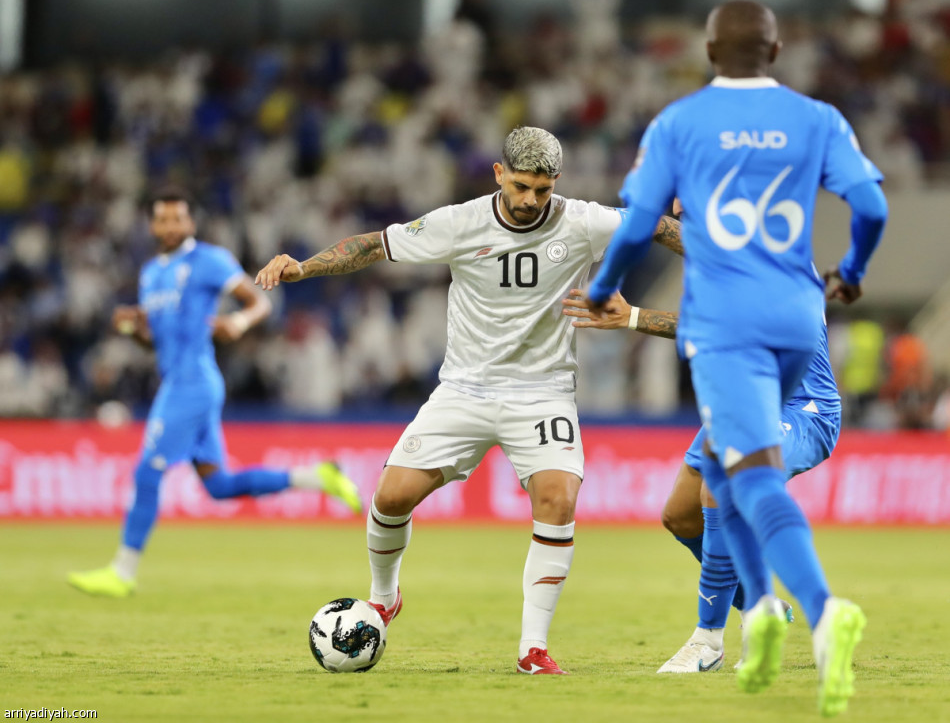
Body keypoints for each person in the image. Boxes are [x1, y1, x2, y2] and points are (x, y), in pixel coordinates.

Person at [256, 126, 682, 675]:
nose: (531, 200)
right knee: (390, 498)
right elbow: (373, 244)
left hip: (543, 391)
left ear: (556, 183)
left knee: (558, 500)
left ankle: (533, 648)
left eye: (543, 190)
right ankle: (384, 596)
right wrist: (305, 266)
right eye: (522, 186)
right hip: (464, 389)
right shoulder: (459, 223)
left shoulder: (582, 221)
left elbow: (656, 225)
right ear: (499, 174)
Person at [584, 1, 887, 715]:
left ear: (710, 47)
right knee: (681, 511)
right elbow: (869, 205)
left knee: (729, 481)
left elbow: (639, 226)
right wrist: (854, 266)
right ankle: (767, 610)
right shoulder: (814, 124)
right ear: (777, 48)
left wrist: (610, 296)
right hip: (765, 353)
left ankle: (717, 634)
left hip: (801, 406)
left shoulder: (681, 124)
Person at [68, 188, 362, 598]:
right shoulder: (150, 272)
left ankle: (123, 570)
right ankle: (318, 477)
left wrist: (239, 323)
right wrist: (135, 330)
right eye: (163, 219)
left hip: (193, 383)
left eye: (178, 219)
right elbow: (156, 342)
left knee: (146, 471)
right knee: (219, 486)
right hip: (178, 380)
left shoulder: (209, 260)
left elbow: (259, 302)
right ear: (153, 225)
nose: (171, 226)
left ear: (190, 223)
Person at [563, 284, 840, 674]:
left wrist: (635, 316)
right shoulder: (730, 244)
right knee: (679, 516)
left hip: (803, 409)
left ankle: (708, 641)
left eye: (684, 216)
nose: (679, 219)